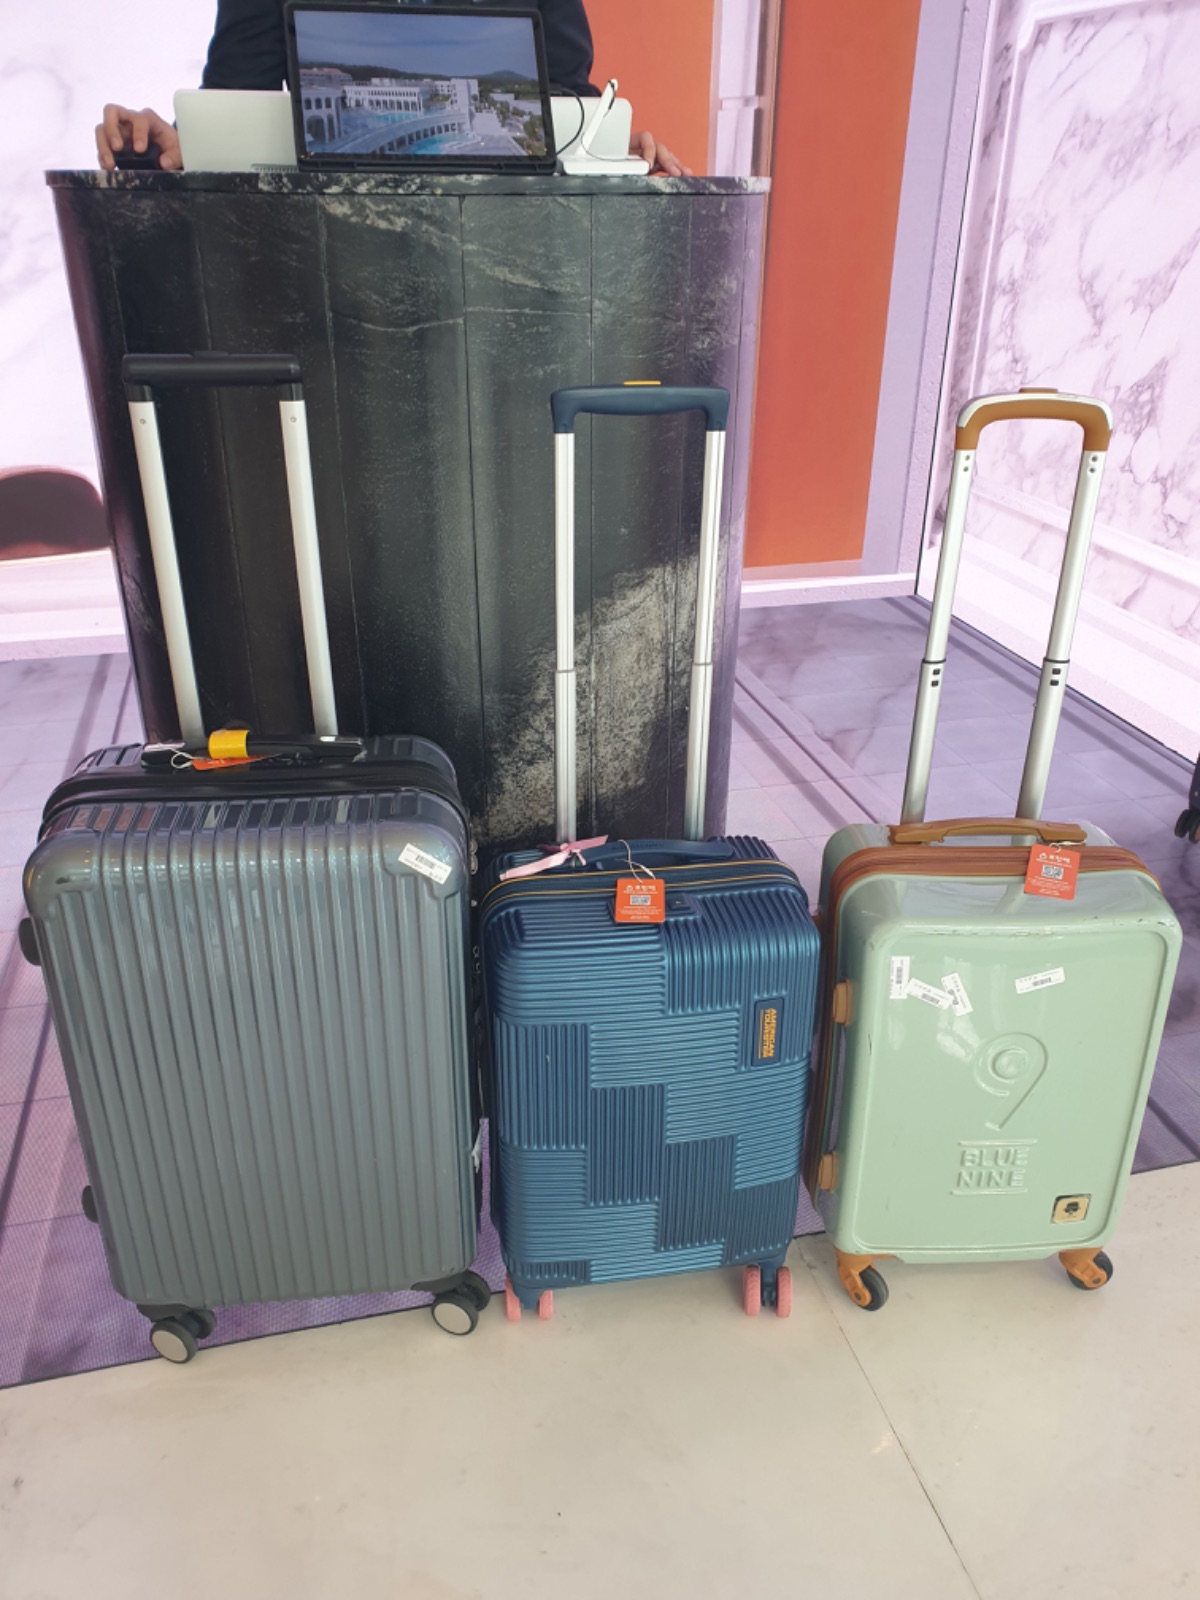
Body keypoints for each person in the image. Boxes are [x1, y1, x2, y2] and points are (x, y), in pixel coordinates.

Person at [96, 0, 691, 176]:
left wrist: (607, 153)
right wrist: (176, 143)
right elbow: (235, 102)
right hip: (317, 269)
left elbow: (564, 101)